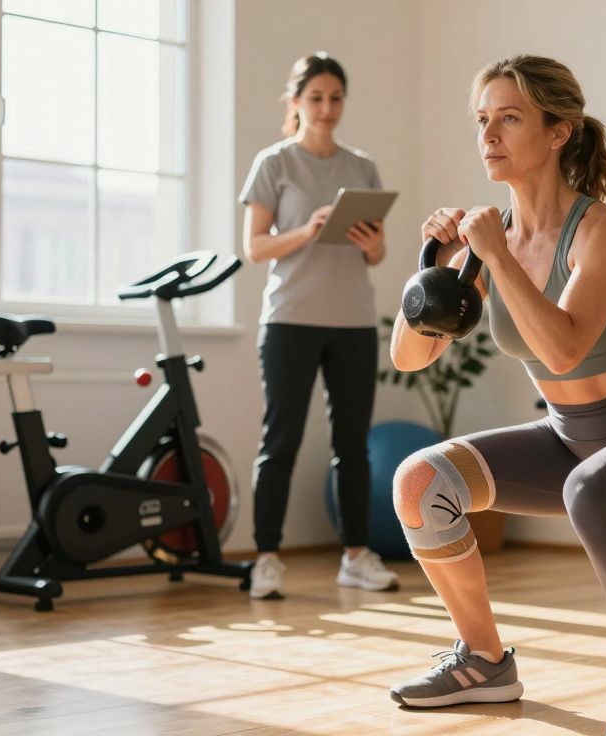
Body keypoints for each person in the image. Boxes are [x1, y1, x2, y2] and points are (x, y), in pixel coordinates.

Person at [386, 55, 606, 736]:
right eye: (482, 119)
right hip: (570, 439)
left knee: (590, 491)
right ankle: (483, 660)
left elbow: (564, 347)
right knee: (420, 482)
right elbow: (409, 356)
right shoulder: (488, 244)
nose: (488, 134)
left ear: (558, 132)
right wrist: (433, 270)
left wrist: (495, 255)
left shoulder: (601, 230)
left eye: (509, 118)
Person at [239, 52, 398, 599]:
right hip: (290, 321)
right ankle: (266, 559)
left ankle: (356, 556)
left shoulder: (362, 166)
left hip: (353, 321)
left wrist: (373, 245)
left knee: (353, 446)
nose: (327, 108)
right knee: (280, 441)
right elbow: (254, 247)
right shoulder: (274, 163)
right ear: (295, 102)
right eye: (316, 98)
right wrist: (307, 230)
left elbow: (376, 255)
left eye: (335, 98)